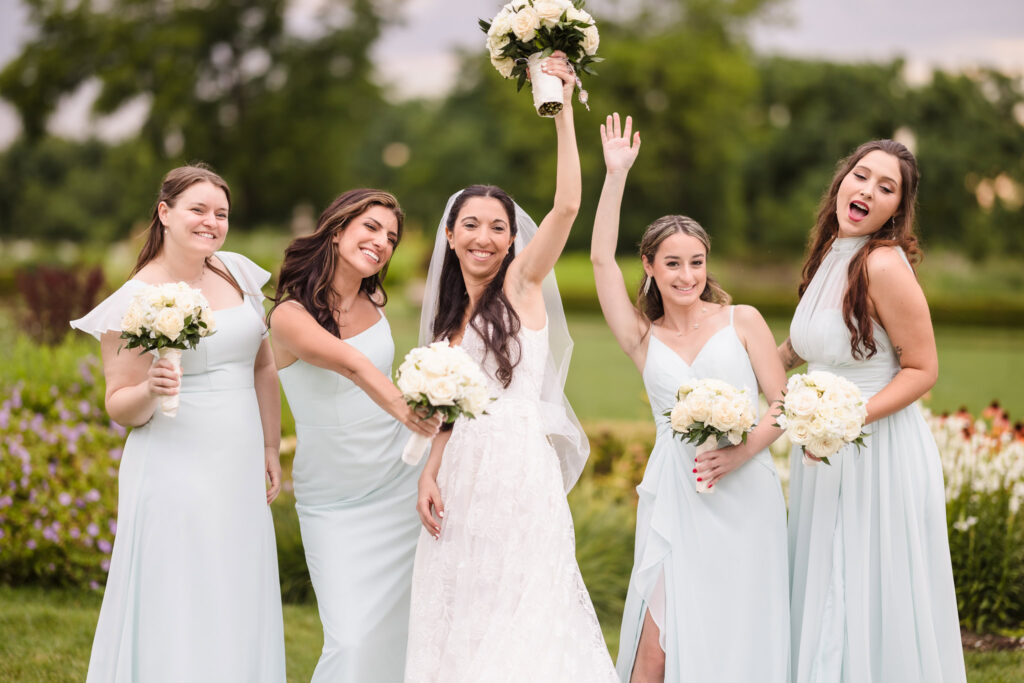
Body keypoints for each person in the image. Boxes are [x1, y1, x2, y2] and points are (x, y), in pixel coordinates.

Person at [404, 54, 617, 682]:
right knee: (462, 602)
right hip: (460, 472)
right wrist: (429, 475)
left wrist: (560, 111)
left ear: (512, 240)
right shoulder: (447, 319)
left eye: (498, 227)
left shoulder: (523, 284)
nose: (485, 236)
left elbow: (568, 205)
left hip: (519, 467)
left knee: (525, 601)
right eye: (470, 225)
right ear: (449, 235)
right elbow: (447, 413)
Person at [591, 114, 789, 682]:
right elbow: (602, 259)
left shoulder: (742, 320)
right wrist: (615, 176)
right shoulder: (640, 338)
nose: (686, 275)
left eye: (696, 262)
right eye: (672, 264)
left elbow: (783, 404)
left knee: (736, 629)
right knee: (656, 647)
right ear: (650, 268)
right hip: (677, 493)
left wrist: (741, 451)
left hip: (744, 493)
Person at [70, 164, 286, 682]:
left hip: (236, 460)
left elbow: (263, 364)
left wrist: (271, 448)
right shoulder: (132, 300)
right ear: (165, 213)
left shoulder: (236, 271)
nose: (211, 222)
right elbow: (119, 404)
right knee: (185, 583)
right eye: (198, 209)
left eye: (221, 213)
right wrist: (150, 389)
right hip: (174, 464)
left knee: (235, 580)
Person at [780, 140, 966, 682]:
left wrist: (844, 421)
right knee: (828, 574)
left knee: (858, 579)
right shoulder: (831, 253)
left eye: (886, 188)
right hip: (824, 450)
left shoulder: (883, 263)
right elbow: (800, 348)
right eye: (861, 176)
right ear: (842, 182)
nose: (867, 190)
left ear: (895, 211)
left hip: (874, 448)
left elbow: (922, 369)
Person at [267, 189, 440, 682]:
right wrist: (405, 408)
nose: (381, 242)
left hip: (399, 483)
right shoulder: (288, 315)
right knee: (351, 638)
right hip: (336, 501)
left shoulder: (374, 301)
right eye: (371, 227)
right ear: (339, 228)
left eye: (391, 237)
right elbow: (354, 365)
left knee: (408, 629)